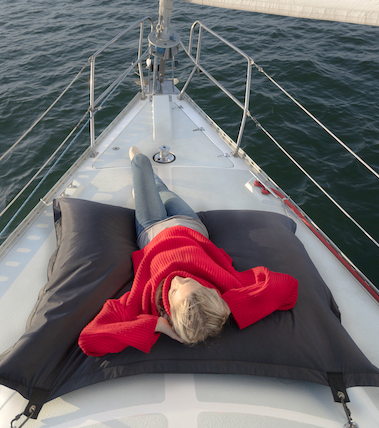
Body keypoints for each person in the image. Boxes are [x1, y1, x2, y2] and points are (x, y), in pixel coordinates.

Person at [78, 148, 298, 356]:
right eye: (190, 281)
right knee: (162, 190)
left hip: (152, 227)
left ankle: (146, 187)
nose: (177, 280)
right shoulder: (223, 288)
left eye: (174, 292)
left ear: (170, 315)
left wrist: (156, 325)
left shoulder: (144, 306)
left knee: (141, 161)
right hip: (190, 224)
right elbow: (287, 287)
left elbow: (89, 340)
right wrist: (223, 308)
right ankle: (152, 188)